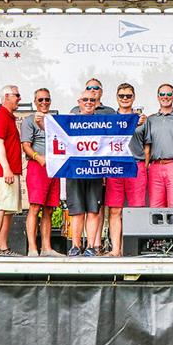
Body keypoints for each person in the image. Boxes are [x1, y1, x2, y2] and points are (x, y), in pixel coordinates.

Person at [105, 83, 147, 256]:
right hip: (115, 165)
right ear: (117, 97)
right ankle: (116, 250)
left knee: (136, 210)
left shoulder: (143, 119)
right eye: (121, 96)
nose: (125, 99)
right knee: (115, 209)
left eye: (128, 96)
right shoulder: (109, 119)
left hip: (136, 164)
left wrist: (146, 165)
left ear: (133, 97)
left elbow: (148, 146)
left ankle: (132, 250)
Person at [21, 88, 64, 257]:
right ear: (34, 101)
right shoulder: (28, 120)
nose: (44, 103)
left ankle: (46, 248)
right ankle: (32, 248)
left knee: (49, 208)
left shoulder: (54, 121)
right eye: (40, 100)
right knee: (34, 207)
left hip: (54, 167)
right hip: (37, 166)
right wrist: (39, 158)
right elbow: (25, 145)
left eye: (47, 100)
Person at [66, 90, 105, 257]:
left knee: (93, 210)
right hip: (74, 171)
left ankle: (90, 246)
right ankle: (75, 246)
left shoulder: (103, 122)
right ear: (78, 101)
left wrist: (136, 122)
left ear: (96, 102)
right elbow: (53, 134)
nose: (88, 102)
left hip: (95, 170)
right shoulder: (69, 121)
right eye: (85, 99)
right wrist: (40, 124)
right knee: (77, 210)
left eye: (92, 99)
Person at [0, 85, 23, 256]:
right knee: (0, 207)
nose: (19, 99)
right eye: (17, 95)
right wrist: (6, 168)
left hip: (11, 171)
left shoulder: (9, 118)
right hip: (3, 172)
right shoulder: (0, 116)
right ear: (7, 96)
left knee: (8, 210)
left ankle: (2, 247)